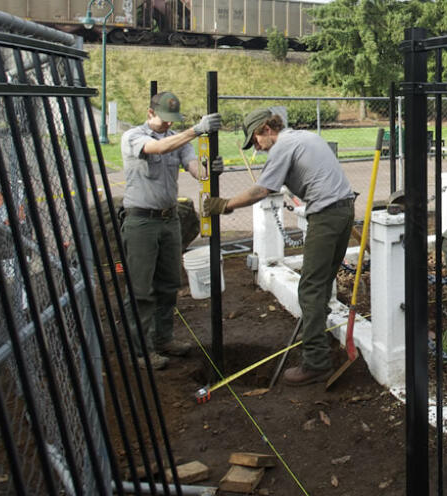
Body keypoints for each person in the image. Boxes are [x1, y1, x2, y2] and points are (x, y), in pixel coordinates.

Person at [203, 108, 356, 385]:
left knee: (310, 286)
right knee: (321, 282)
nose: (258, 148)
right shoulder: (303, 137)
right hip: (344, 210)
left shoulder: (282, 146)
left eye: (256, 141)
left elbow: (262, 190)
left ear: (265, 129)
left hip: (326, 216)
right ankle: (314, 334)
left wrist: (225, 205)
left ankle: (316, 362)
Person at [121, 91, 222, 370]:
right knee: (141, 289)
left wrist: (211, 169)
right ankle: (140, 350)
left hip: (169, 221)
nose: (168, 125)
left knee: (168, 284)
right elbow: (159, 148)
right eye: (164, 119)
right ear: (150, 113)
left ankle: (163, 339)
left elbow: (195, 169)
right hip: (141, 221)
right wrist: (196, 130)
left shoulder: (178, 139)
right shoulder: (133, 137)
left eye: (172, 121)